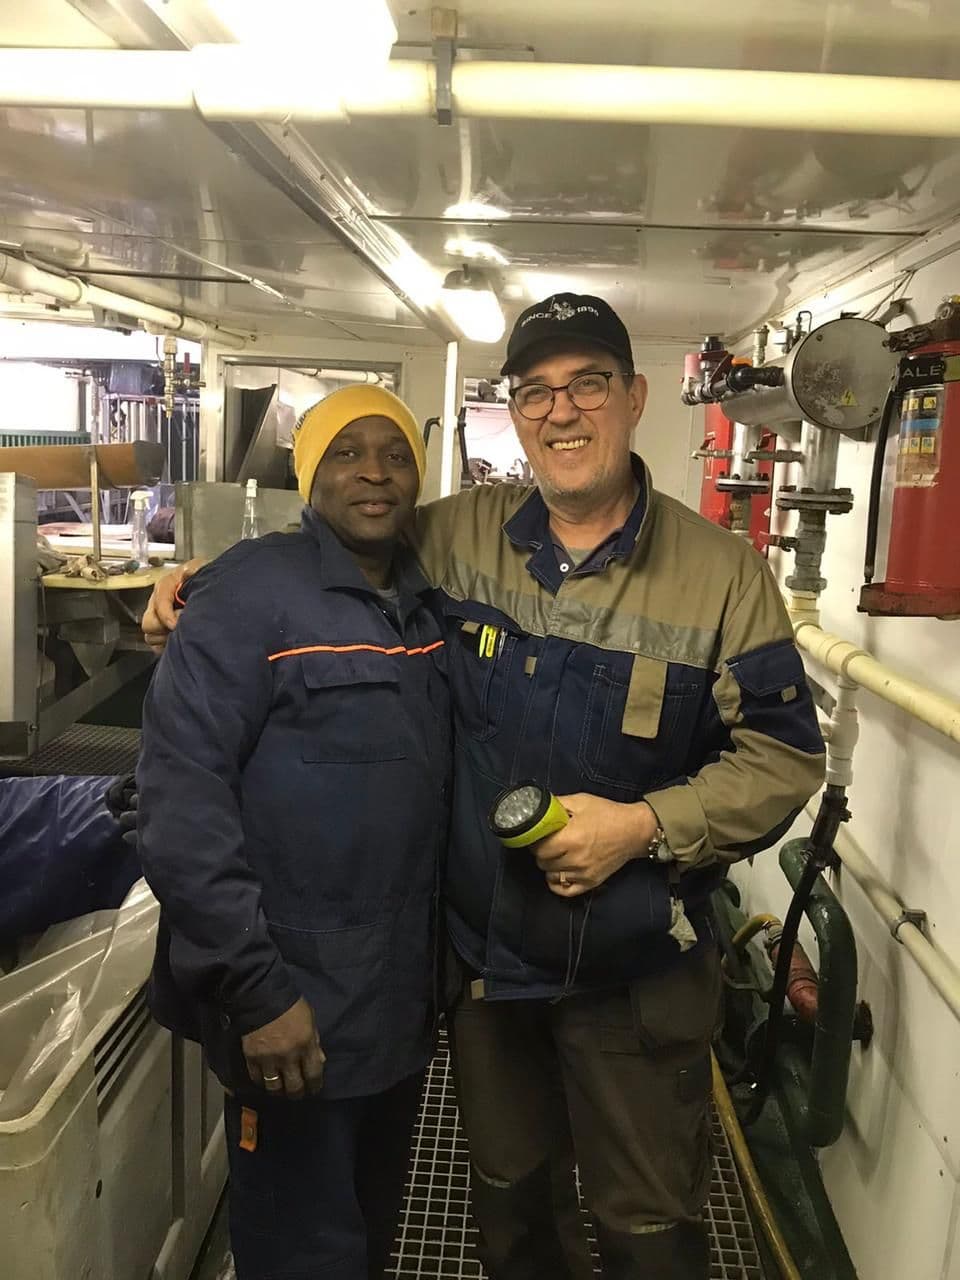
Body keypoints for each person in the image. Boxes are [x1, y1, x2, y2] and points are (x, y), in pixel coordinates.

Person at [143, 294, 825, 1280]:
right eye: (535, 391)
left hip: (632, 976)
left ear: (635, 397)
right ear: (516, 412)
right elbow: (333, 544)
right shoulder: (457, 535)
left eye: (587, 383)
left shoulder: (724, 576)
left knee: (648, 1233)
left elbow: (785, 758)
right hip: (489, 974)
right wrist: (204, 584)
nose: (561, 410)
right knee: (514, 1213)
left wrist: (642, 825)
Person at [136, 387, 450, 1280]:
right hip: (290, 1006)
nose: (374, 473)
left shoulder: (427, 601)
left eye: (394, 454)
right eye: (346, 453)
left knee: (368, 1233)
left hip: (396, 1006)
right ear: (310, 476)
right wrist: (257, 992)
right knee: (299, 1252)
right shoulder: (248, 596)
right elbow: (180, 804)